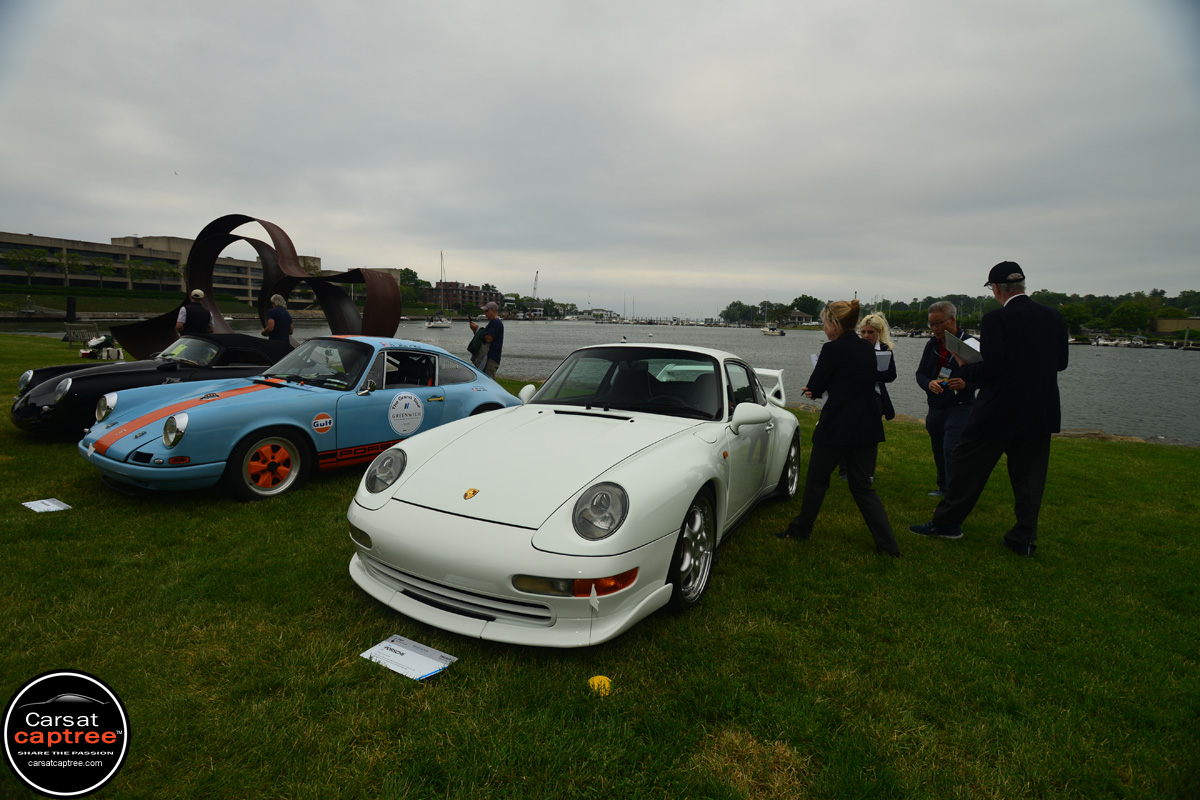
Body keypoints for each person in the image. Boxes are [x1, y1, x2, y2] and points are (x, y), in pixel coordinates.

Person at [910, 261, 1069, 557]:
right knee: (1029, 477)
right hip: (1040, 409)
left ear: (995, 288)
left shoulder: (997, 320)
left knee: (966, 465)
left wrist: (965, 370)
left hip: (999, 409)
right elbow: (1061, 363)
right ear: (1022, 285)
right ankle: (1023, 538)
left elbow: (993, 368)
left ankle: (947, 523)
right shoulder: (1053, 316)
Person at [778, 299, 900, 557]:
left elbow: (816, 385)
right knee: (863, 487)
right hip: (867, 426)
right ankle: (888, 545)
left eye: (824, 323)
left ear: (834, 323)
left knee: (817, 482)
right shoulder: (867, 349)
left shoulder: (832, 350)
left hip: (837, 426)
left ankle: (800, 530)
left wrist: (812, 391)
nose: (824, 328)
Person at [914, 301, 978, 498]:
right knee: (939, 449)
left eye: (939, 323)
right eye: (931, 324)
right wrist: (929, 383)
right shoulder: (931, 344)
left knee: (952, 448)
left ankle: (956, 492)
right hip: (936, 405)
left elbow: (987, 376)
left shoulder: (971, 344)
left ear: (952, 320)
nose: (934, 329)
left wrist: (967, 384)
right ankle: (943, 487)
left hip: (960, 405)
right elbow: (920, 373)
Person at [838, 311, 896, 482]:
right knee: (847, 433)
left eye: (870, 332)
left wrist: (869, 374)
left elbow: (891, 375)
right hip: (852, 396)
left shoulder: (885, 350)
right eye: (863, 332)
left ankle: (867, 473)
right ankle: (845, 471)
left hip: (874, 397)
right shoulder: (852, 347)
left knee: (870, 438)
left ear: (879, 333)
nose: (866, 336)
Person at [469, 301, 504, 378]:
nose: (485, 313)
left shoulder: (496, 322)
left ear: (493, 310)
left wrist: (478, 329)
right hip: (489, 358)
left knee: (488, 383)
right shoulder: (493, 322)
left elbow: (488, 338)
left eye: (487, 311)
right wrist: (475, 330)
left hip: (491, 358)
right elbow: (485, 338)